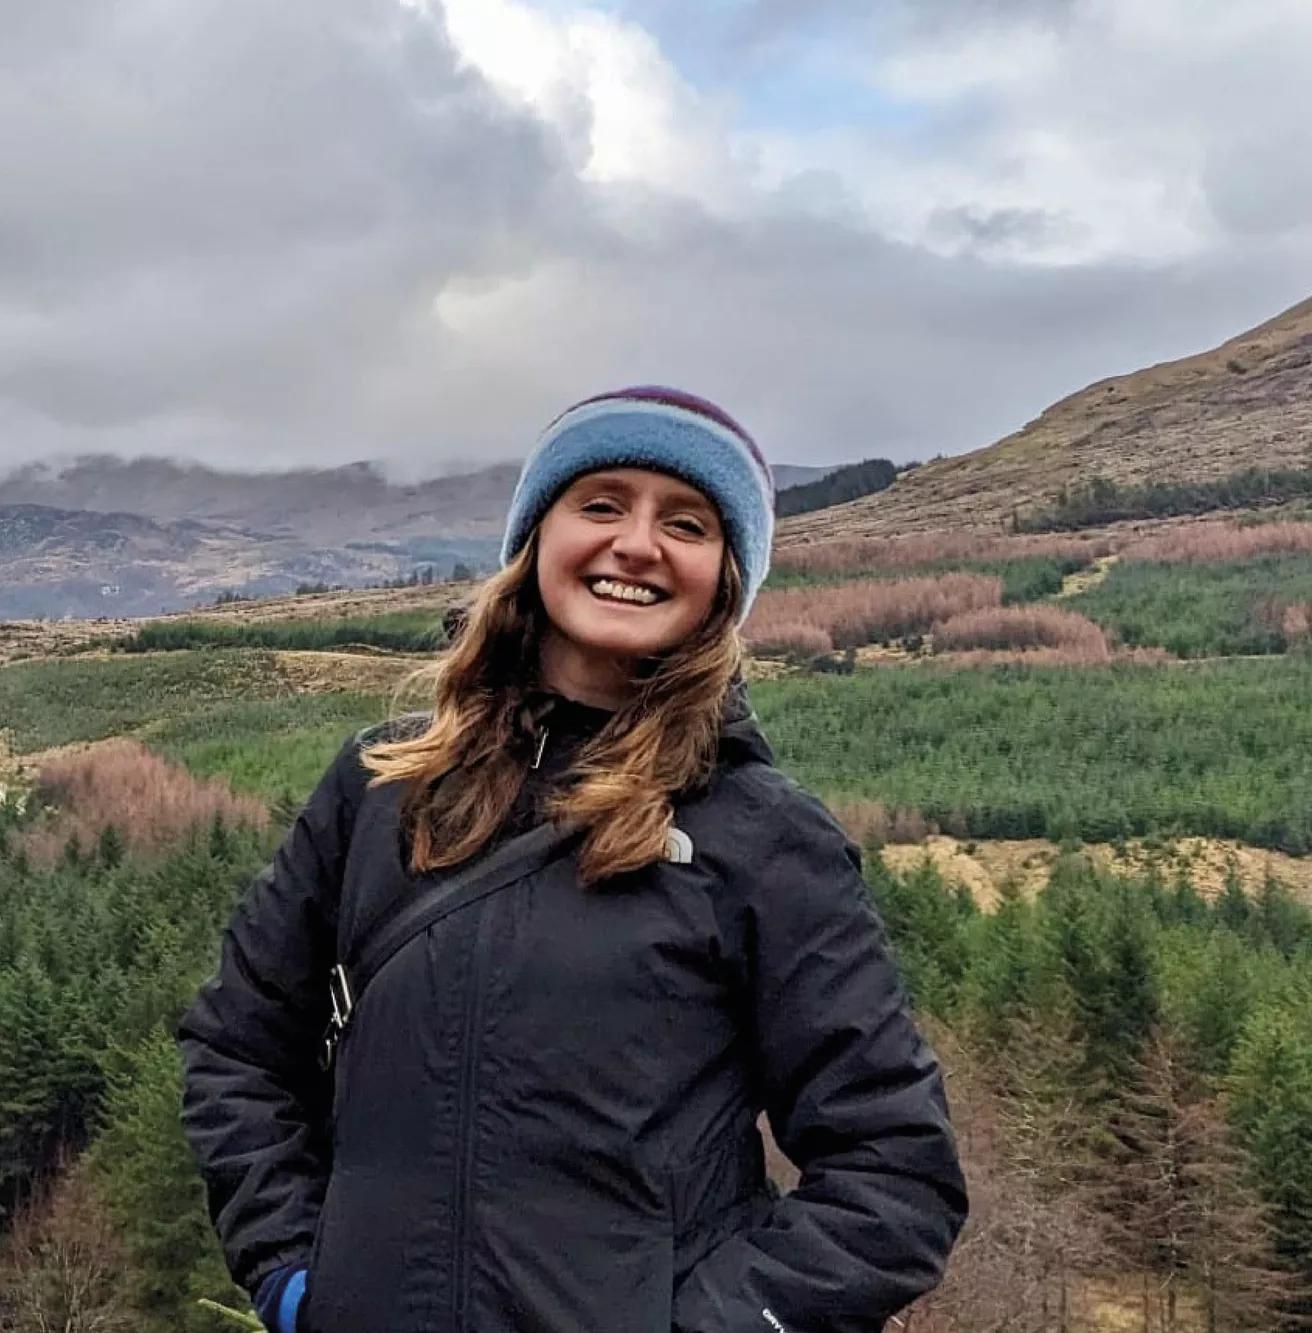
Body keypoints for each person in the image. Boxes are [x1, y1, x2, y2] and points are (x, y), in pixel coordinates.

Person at [178, 386, 966, 1333]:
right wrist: (293, 1271)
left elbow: (895, 1169)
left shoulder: (763, 837)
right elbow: (238, 1049)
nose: (637, 543)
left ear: (725, 577)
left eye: (687, 522)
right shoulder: (381, 787)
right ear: (535, 538)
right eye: (600, 502)